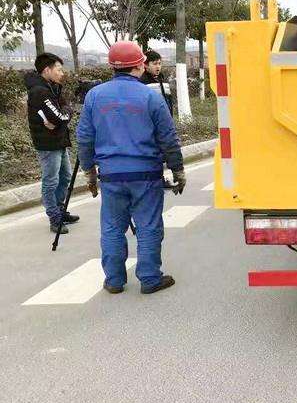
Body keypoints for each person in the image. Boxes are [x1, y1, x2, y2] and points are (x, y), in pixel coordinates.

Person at [77, 41, 186, 294]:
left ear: (111, 67)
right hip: (146, 173)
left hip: (111, 175)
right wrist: (177, 170)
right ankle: (150, 278)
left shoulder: (94, 96)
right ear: (139, 65)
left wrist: (89, 172)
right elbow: (168, 138)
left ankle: (114, 280)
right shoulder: (151, 96)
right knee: (148, 225)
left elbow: (84, 138)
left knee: (112, 227)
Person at [26, 52, 79, 234]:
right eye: (59, 69)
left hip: (59, 139)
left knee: (65, 177)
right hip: (48, 144)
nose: (62, 73)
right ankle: (54, 218)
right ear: (47, 70)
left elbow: (65, 110)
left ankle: (60, 210)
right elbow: (60, 117)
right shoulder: (39, 92)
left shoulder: (53, 87)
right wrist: (64, 114)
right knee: (51, 181)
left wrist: (64, 113)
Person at [141, 50, 174, 116]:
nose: (158, 66)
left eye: (159, 63)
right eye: (155, 64)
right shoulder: (142, 81)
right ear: (146, 65)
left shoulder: (161, 78)